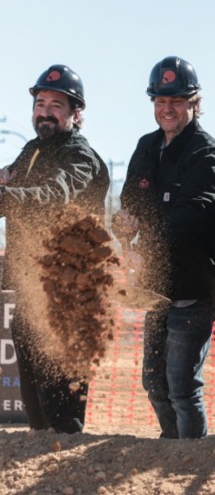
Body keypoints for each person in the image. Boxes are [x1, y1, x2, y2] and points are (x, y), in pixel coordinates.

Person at [113, 56, 215, 439]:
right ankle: (171, 448)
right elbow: (130, 204)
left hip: (197, 287)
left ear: (194, 103)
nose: (167, 109)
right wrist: (125, 228)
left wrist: (145, 246)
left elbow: (193, 218)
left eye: (177, 101)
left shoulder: (209, 156)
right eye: (160, 101)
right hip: (156, 287)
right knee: (155, 383)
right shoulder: (147, 147)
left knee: (182, 386)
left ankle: (189, 457)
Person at [2, 64, 109, 433]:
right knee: (37, 413)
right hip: (33, 290)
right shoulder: (33, 149)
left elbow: (51, 198)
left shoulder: (79, 156)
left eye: (56, 105)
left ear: (76, 114)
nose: (44, 111)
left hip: (69, 299)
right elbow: (12, 184)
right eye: (40, 102)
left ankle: (63, 476)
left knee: (61, 408)